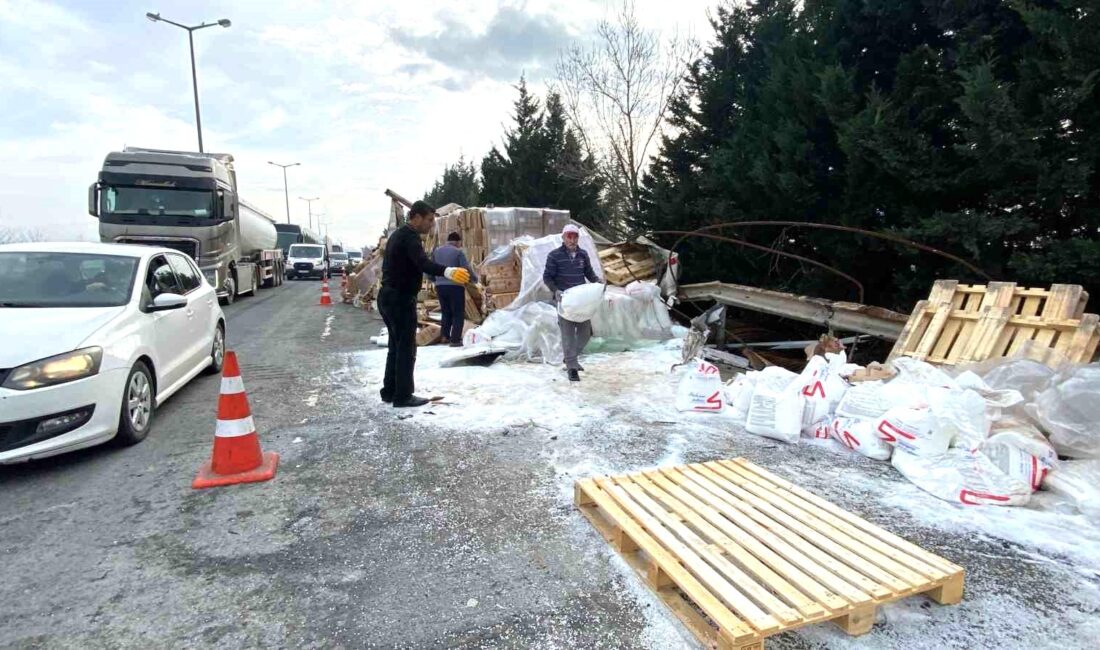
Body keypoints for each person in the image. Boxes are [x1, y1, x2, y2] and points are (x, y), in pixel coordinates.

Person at [379, 201, 470, 407]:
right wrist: (448, 271)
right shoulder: (410, 238)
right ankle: (403, 396)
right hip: (400, 299)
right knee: (406, 348)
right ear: (416, 217)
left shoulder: (397, 236)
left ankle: (389, 391)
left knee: (395, 346)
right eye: (429, 220)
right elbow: (423, 263)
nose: (431, 225)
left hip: (387, 296)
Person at [543, 224, 601, 382]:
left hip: (581, 300)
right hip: (565, 301)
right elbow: (547, 277)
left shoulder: (583, 255)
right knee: (568, 335)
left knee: (585, 333)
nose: (572, 239)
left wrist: (597, 282)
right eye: (569, 236)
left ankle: (570, 358)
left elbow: (589, 273)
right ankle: (572, 368)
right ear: (563, 237)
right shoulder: (554, 256)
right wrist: (556, 290)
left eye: (575, 236)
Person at [432, 232, 478, 347]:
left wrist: (434, 280)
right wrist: (474, 279)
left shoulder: (436, 251)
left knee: (445, 311)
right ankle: (455, 340)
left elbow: (430, 267)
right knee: (458, 313)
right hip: (455, 286)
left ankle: (444, 336)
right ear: (457, 242)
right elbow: (466, 268)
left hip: (440, 286)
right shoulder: (458, 252)